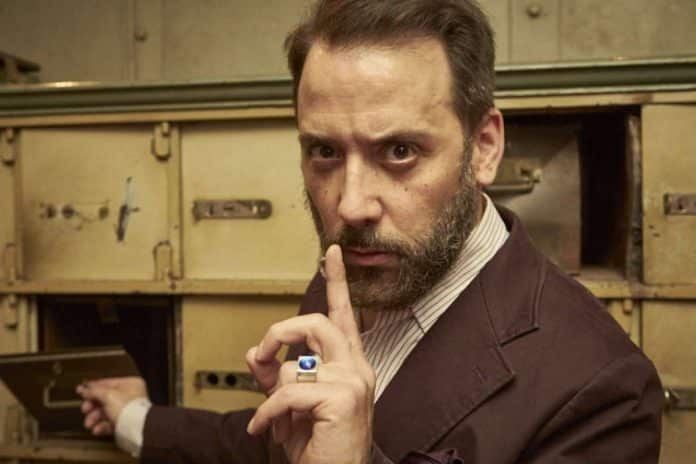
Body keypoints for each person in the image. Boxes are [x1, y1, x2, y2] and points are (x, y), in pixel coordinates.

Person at [77, 1, 663, 463]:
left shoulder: (600, 391)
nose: (351, 206)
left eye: (400, 151)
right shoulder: (357, 271)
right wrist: (137, 420)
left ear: (484, 148)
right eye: (325, 152)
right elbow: (283, 443)